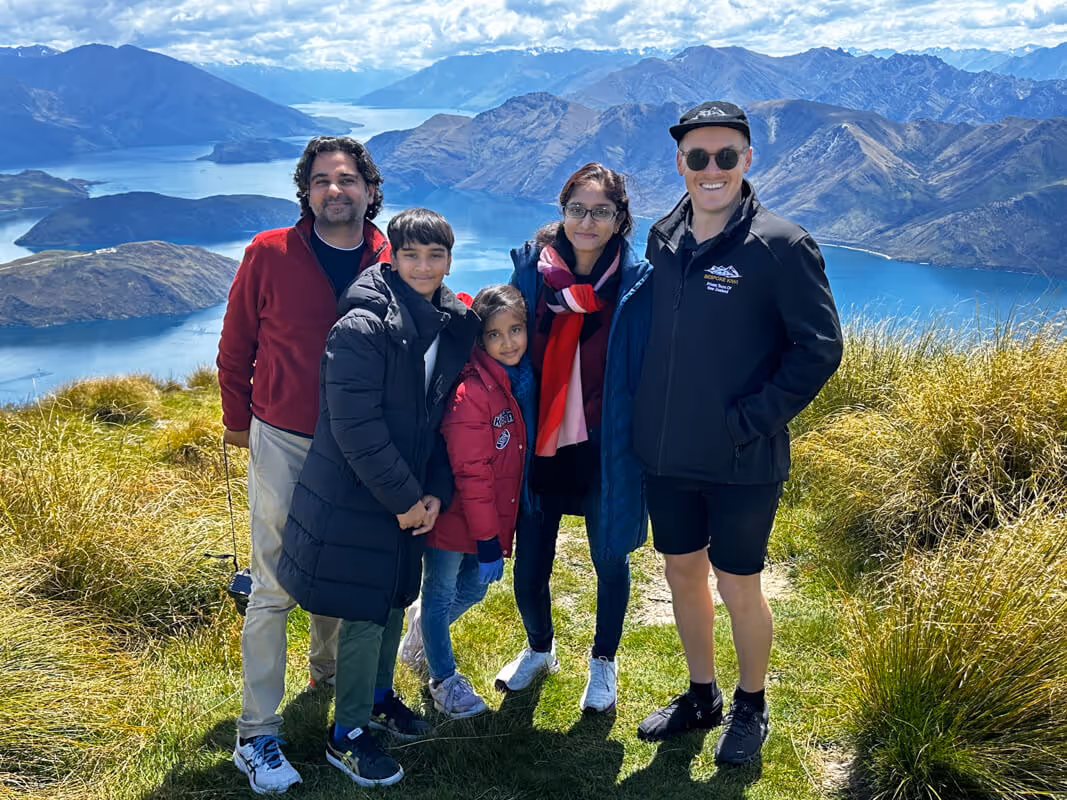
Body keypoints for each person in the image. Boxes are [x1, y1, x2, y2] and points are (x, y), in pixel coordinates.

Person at [632, 101, 843, 765]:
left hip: (742, 457)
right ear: (680, 164)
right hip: (667, 453)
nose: (711, 169)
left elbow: (819, 347)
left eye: (726, 155)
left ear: (748, 160)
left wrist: (748, 421)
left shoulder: (780, 246)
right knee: (680, 573)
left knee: (737, 584)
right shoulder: (662, 237)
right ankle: (702, 696)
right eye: (698, 157)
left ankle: (751, 705)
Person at [277, 207, 480, 787]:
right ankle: (348, 734)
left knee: (395, 597)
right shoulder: (362, 327)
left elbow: (440, 415)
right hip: (358, 492)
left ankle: (379, 696)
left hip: (408, 493)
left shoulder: (448, 322)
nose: (423, 266)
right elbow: (355, 425)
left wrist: (433, 493)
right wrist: (403, 498)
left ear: (448, 259)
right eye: (410, 255)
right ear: (389, 256)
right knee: (367, 612)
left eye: (435, 255)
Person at [216, 135, 389, 794]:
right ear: (305, 191)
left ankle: (323, 674)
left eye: (347, 179)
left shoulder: (388, 253)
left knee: (339, 566)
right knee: (273, 584)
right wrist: (239, 425)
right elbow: (236, 346)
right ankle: (255, 733)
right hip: (284, 436)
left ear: (369, 189)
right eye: (320, 180)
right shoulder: (269, 253)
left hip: (359, 441)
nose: (334, 190)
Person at [496, 162, 652, 714]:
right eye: (578, 209)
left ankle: (603, 663)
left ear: (619, 219)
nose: (588, 221)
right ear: (563, 212)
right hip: (541, 441)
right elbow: (503, 342)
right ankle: (540, 649)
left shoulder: (637, 285)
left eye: (601, 211)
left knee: (610, 559)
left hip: (606, 449)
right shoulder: (533, 275)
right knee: (531, 562)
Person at [403, 284, 534, 719]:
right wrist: (486, 538)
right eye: (495, 334)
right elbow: (472, 473)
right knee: (441, 596)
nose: (508, 342)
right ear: (480, 340)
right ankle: (442, 677)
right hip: (454, 520)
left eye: (515, 329)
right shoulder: (471, 393)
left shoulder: (511, 381)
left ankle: (422, 627)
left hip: (483, 521)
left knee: (472, 591)